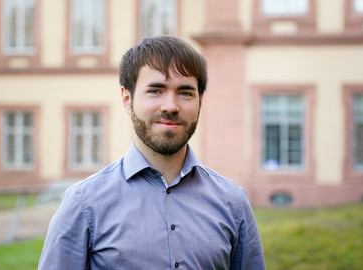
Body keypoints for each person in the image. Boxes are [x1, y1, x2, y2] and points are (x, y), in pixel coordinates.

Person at [38, 36, 265, 270]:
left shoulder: (233, 204)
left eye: (185, 92)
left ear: (200, 101)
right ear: (127, 100)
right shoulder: (83, 205)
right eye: (156, 90)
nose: (170, 106)